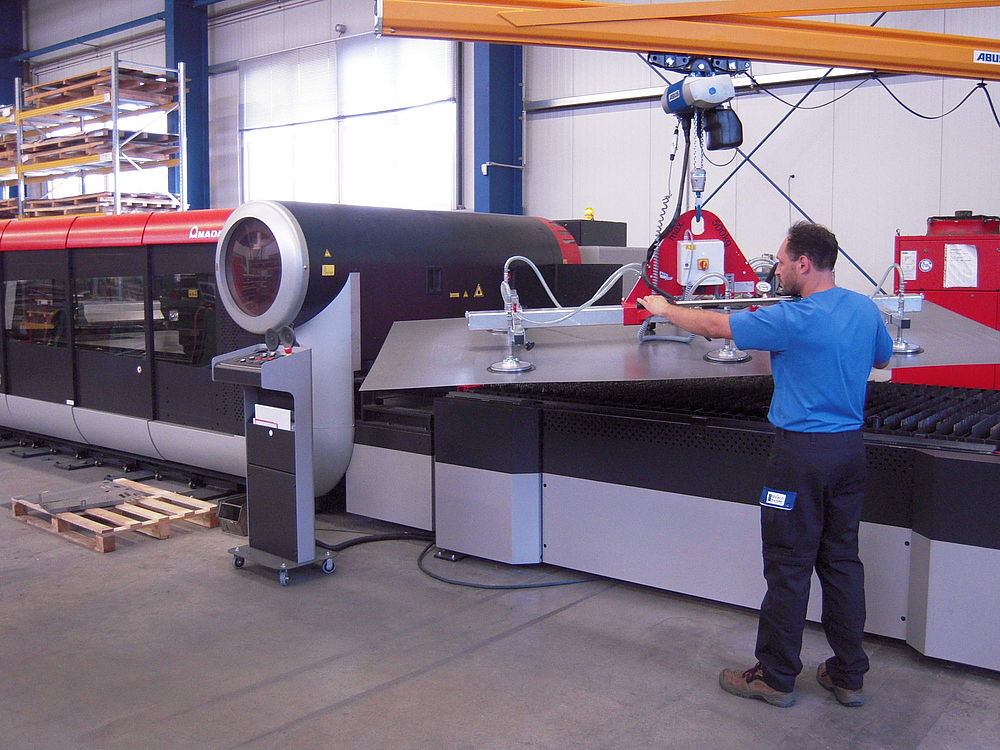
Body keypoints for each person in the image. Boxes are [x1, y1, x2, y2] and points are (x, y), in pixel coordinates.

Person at [639, 221, 893, 709]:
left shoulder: (793, 317)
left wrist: (664, 309)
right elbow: (881, 360)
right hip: (849, 452)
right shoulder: (864, 309)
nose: (776, 270)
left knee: (788, 565)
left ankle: (775, 677)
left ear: (803, 264)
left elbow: (716, 327)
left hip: (799, 458)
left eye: (780, 262)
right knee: (842, 562)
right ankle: (848, 675)